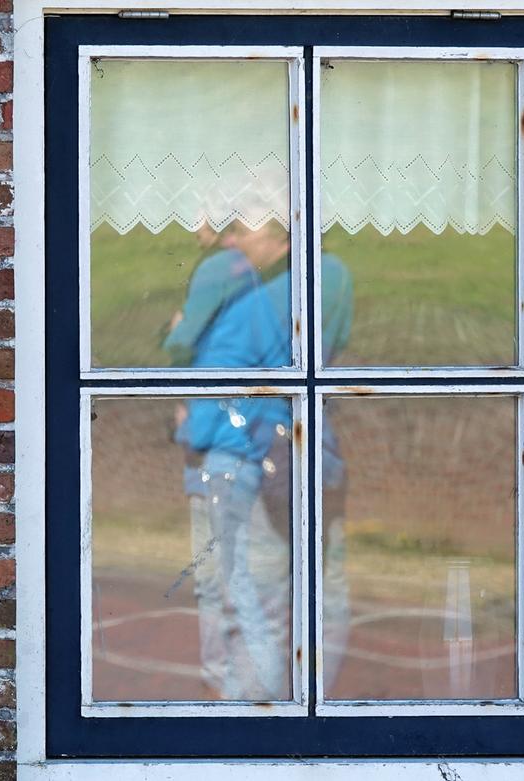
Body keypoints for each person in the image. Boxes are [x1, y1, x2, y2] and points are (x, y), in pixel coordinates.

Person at [164, 210, 354, 701]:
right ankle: (275, 707)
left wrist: (180, 338)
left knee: (248, 598)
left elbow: (194, 353)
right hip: (275, 453)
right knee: (283, 594)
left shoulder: (243, 282)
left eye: (240, 229)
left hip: (241, 456)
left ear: (282, 236)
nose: (230, 239)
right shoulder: (313, 281)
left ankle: (251, 714)